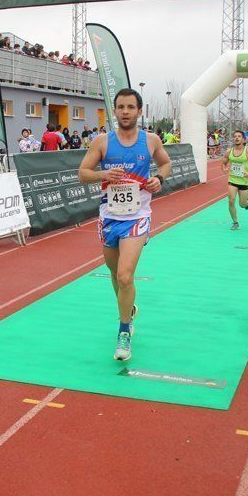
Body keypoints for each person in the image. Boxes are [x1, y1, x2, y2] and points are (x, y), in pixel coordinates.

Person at [78, 87, 171, 361]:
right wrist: (103, 173)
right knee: (114, 272)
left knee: (125, 275)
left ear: (139, 111)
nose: (126, 112)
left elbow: (166, 164)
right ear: (115, 111)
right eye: (121, 107)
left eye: (131, 107)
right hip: (109, 216)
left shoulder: (151, 140)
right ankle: (128, 308)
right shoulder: (102, 142)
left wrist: (160, 179)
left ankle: (124, 330)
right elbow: (82, 174)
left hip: (137, 216)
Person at [222, 130, 248, 230]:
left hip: (244, 181)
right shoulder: (228, 152)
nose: (237, 138)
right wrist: (224, 168)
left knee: (242, 204)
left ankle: (247, 202)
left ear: (243, 139)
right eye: (235, 136)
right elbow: (223, 163)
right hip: (233, 180)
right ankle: (235, 222)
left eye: (239, 136)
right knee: (231, 201)